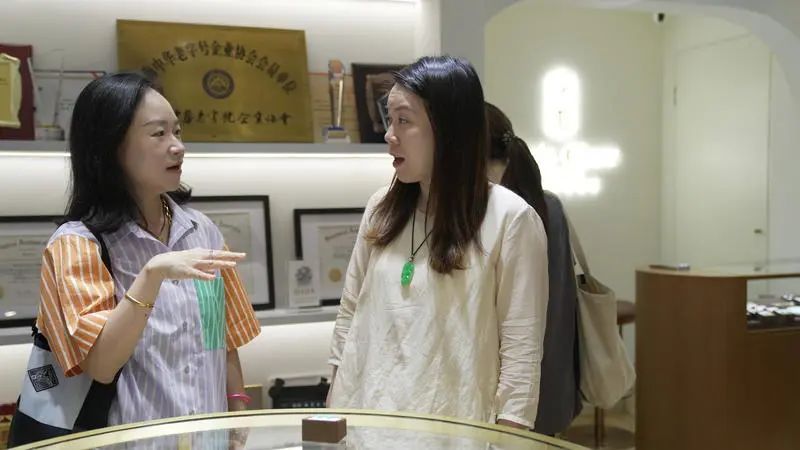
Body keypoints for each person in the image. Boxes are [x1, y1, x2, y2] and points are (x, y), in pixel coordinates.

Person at [8, 72, 260, 446]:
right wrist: (151, 275)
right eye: (159, 134)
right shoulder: (76, 245)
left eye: (177, 131)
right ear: (111, 146)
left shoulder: (202, 230)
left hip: (209, 440)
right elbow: (101, 364)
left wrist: (237, 410)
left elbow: (223, 338)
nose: (178, 147)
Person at [327, 56, 549, 429]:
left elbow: (521, 353)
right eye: (389, 120)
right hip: (367, 425)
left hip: (456, 431)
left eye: (404, 121)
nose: (389, 135)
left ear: (448, 129)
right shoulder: (381, 208)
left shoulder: (511, 219)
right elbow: (350, 315)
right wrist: (333, 407)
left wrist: (510, 437)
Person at [486, 102, 582, 435]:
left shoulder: (504, 214)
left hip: (510, 402)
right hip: (549, 387)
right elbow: (559, 309)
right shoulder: (546, 205)